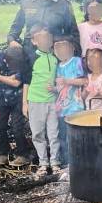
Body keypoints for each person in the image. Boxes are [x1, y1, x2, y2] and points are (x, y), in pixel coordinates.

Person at [7, 0, 79, 60]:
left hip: (55, 52)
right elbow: (14, 31)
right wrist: (12, 41)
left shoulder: (64, 5)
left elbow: (73, 34)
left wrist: (72, 53)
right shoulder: (27, 4)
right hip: (29, 53)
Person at [23, 25, 61, 178]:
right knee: (38, 133)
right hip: (35, 101)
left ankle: (55, 162)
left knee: (53, 133)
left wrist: (56, 89)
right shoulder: (31, 58)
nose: (45, 41)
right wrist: (24, 103)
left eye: (48, 38)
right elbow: (26, 82)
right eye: (41, 38)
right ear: (34, 41)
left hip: (52, 101)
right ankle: (43, 163)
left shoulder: (56, 58)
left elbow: (60, 81)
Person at [0, 46, 31, 167]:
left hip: (18, 98)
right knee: (0, 126)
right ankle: (3, 152)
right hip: (2, 97)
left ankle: (23, 154)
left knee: (17, 127)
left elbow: (16, 82)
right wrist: (3, 78)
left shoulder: (23, 60)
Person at [54, 36, 86, 168]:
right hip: (62, 108)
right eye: (58, 48)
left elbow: (84, 81)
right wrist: (54, 89)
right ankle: (67, 163)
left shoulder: (76, 61)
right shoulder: (57, 66)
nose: (62, 51)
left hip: (75, 106)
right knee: (63, 136)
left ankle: (78, 160)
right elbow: (60, 88)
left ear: (72, 48)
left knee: (76, 136)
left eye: (64, 47)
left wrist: (67, 81)